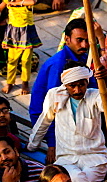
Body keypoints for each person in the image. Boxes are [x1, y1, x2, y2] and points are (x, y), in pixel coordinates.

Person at [28, 65, 107, 182]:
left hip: (95, 159)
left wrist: (106, 81)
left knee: (75, 181)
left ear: (87, 83)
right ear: (65, 85)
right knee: (75, 178)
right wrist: (32, 144)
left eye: (81, 85)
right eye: (72, 86)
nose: (77, 90)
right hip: (66, 159)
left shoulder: (94, 95)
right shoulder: (55, 96)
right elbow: (44, 121)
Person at [29, 18, 94, 149]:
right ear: (67, 39)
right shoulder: (59, 65)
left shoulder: (83, 57)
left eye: (87, 40)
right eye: (80, 40)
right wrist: (53, 143)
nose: (84, 45)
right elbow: (53, 105)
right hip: (47, 119)